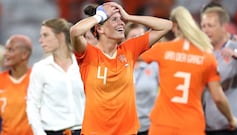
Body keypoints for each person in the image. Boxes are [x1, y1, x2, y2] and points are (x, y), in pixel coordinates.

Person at [70, 2, 172, 134]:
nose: (122, 23)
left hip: (127, 132)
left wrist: (129, 17)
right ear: (100, 29)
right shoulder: (88, 54)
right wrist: (100, 15)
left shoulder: (129, 50)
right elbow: (75, 31)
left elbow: (166, 26)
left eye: (121, 20)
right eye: (114, 20)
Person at [140, 6, 237, 135]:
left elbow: (135, 53)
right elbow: (218, 97)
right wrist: (231, 119)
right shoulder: (207, 57)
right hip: (192, 126)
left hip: (162, 125)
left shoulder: (162, 50)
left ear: (174, 27)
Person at [26, 18, 85, 135]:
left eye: (45, 35)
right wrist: (39, 133)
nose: (40, 40)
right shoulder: (40, 68)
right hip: (53, 131)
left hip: (83, 130)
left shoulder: (81, 65)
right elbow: (32, 104)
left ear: (60, 36)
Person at [201, 3, 237, 135]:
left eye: (210, 26)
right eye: (203, 26)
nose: (206, 30)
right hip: (210, 125)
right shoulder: (203, 51)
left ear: (224, 27)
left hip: (234, 125)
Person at [125, 22, 159, 135]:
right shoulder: (119, 66)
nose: (138, 41)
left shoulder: (155, 65)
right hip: (126, 128)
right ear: (124, 41)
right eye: (134, 37)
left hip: (151, 127)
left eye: (142, 37)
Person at [0, 34, 33, 135]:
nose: (5, 54)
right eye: (6, 50)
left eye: (11, 50)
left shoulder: (36, 79)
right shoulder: (1, 80)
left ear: (24, 55)